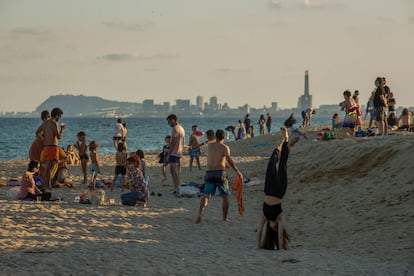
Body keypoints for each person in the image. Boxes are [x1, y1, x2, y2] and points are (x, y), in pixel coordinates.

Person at [195, 129, 243, 224]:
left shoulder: (210, 146)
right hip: (220, 173)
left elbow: (217, 157)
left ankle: (200, 213)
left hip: (209, 173)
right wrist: (237, 171)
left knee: (207, 195)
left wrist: (224, 163)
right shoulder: (225, 147)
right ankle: (224, 218)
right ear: (224, 137)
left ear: (215, 137)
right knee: (225, 196)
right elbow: (228, 159)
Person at [257, 127, 291, 250]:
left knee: (271, 163)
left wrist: (258, 246)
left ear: (269, 228)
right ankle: (286, 139)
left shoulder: (265, 216)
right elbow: (281, 235)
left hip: (269, 189)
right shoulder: (279, 217)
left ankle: (281, 143)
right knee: (282, 165)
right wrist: (281, 248)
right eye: (277, 227)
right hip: (279, 191)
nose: (275, 227)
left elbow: (259, 231)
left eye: (274, 228)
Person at [42, 107, 65, 190]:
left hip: (46, 146)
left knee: (49, 166)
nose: (60, 118)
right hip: (52, 146)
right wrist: (62, 130)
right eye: (59, 116)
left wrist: (45, 139)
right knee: (50, 167)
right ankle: (47, 185)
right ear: (56, 115)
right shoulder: (53, 123)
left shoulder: (45, 122)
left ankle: (46, 184)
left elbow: (39, 133)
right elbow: (58, 136)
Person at [166, 114, 185, 193]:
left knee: (174, 172)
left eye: (169, 121)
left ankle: (177, 187)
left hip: (174, 153)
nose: (169, 123)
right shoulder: (182, 128)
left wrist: (168, 154)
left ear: (173, 120)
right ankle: (177, 187)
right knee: (176, 171)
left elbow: (172, 142)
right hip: (179, 152)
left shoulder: (175, 129)